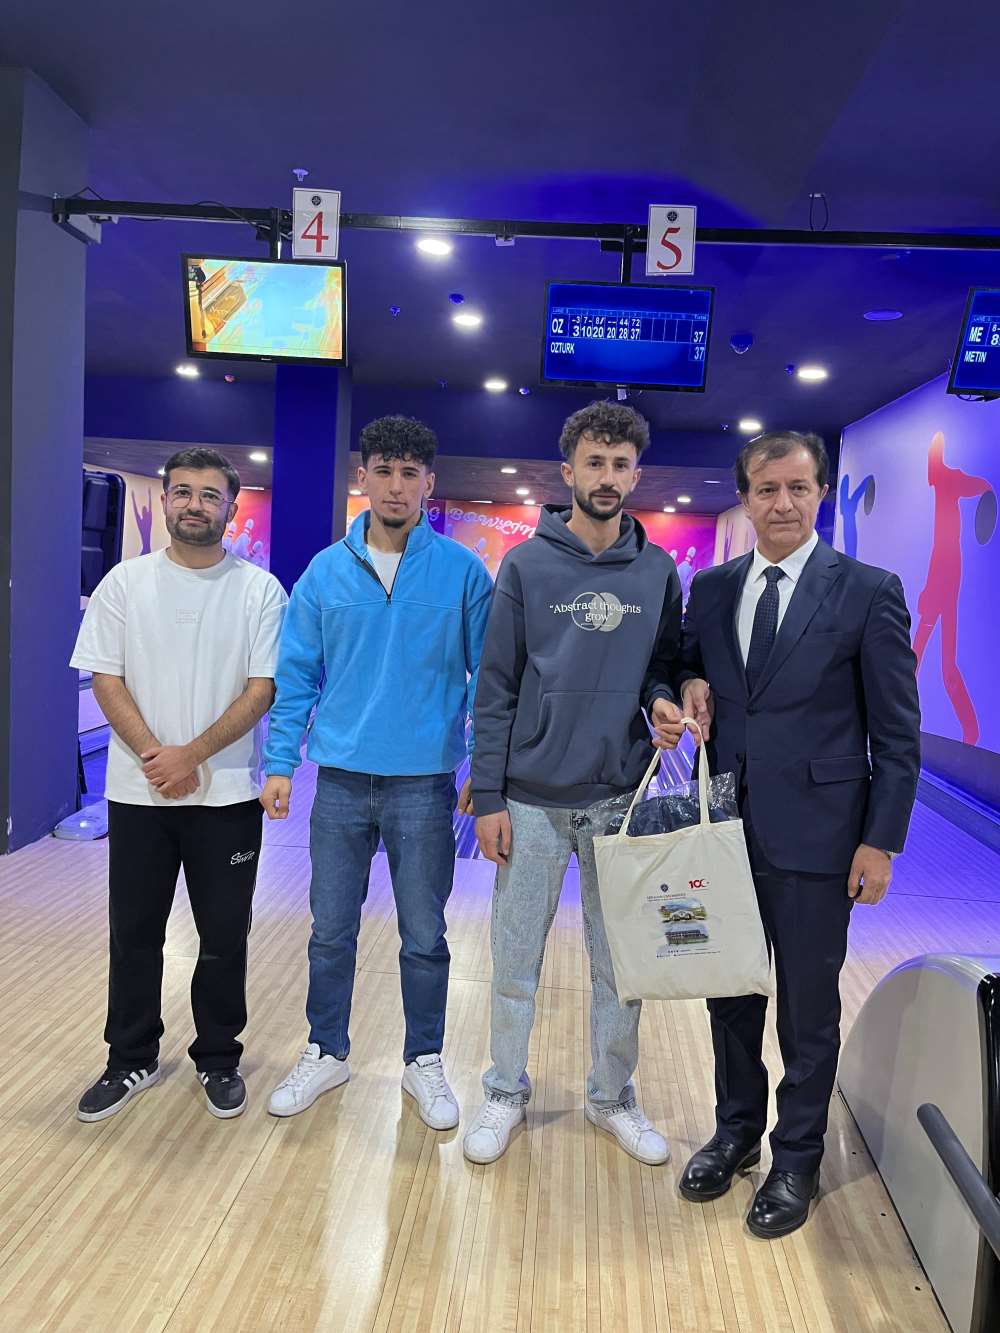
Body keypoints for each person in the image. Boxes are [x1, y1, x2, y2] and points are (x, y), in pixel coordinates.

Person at [674, 430, 920, 1238]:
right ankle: (736, 1131)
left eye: (798, 488)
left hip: (821, 836)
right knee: (729, 997)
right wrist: (688, 680)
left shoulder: (868, 591)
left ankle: (798, 1157)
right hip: (725, 829)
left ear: (820, 494)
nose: (782, 503)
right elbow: (681, 662)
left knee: (807, 1013)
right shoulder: (713, 588)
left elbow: (897, 730)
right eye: (766, 489)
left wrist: (880, 840)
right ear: (744, 498)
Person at [464, 400, 685, 1167]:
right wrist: (488, 795)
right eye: (595, 462)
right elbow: (496, 685)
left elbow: (663, 666)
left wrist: (663, 699)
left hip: (618, 798)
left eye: (621, 464)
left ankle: (611, 1095)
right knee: (515, 958)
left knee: (620, 965)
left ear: (636, 474)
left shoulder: (657, 571)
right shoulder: (527, 565)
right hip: (530, 800)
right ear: (568, 471)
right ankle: (503, 1088)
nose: (608, 476)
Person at [260, 416, 493, 1129]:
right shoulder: (325, 571)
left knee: (424, 935)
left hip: (424, 784)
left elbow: (489, 678)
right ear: (362, 477)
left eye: (409, 473)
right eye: (383, 471)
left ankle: (424, 1060)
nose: (396, 486)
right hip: (338, 782)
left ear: (429, 482)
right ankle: (326, 1050)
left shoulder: (461, 571)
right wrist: (279, 763)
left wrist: (483, 764)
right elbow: (296, 675)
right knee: (330, 931)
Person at [72, 447, 288, 1122]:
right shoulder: (124, 583)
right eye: (184, 492)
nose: (196, 504)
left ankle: (218, 1056)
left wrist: (191, 754)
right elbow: (105, 676)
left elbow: (262, 688)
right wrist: (154, 755)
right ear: (166, 500)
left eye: (210, 495)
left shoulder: (260, 590)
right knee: (134, 933)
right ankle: (129, 1056)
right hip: (140, 794)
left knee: (224, 936)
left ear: (231, 508)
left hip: (226, 797)